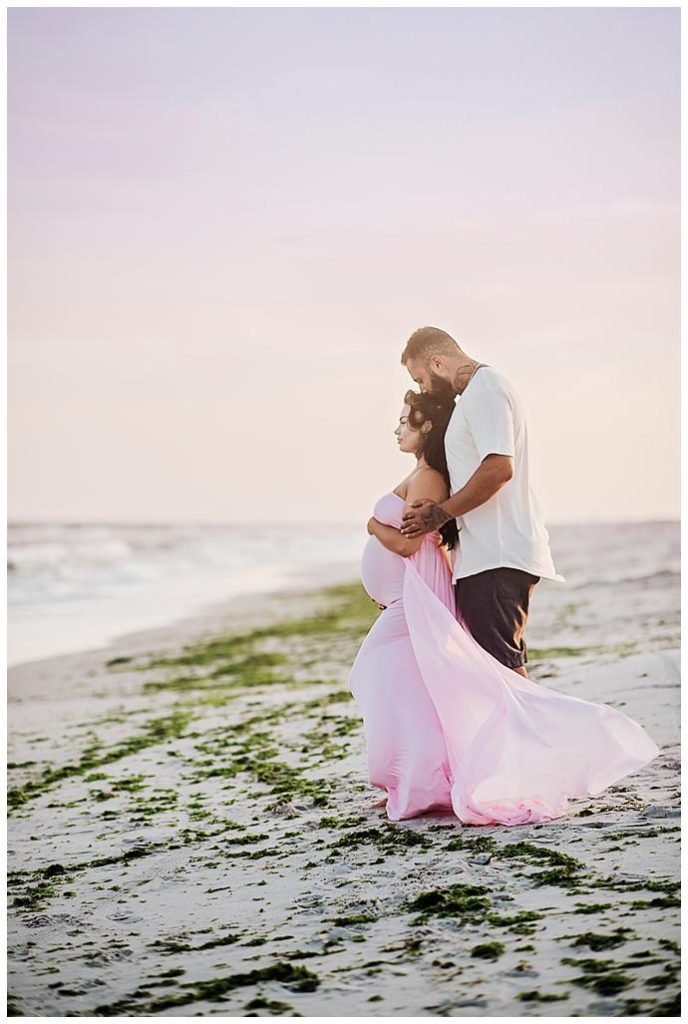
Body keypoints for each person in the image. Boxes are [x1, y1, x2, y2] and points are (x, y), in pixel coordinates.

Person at [348, 390, 659, 825]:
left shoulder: (430, 479)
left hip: (412, 598)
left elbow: (406, 544)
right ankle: (419, 783)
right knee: (418, 689)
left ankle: (428, 779)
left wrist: (372, 527)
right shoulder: (421, 474)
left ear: (426, 429)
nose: (397, 429)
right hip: (407, 596)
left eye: (405, 421)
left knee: (374, 671)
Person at [399, 325, 562, 678]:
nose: (422, 389)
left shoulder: (487, 391)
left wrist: (439, 514)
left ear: (438, 363)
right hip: (486, 557)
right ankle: (529, 731)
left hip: (497, 555)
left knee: (504, 675)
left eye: (421, 378)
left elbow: (499, 469)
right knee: (501, 672)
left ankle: (547, 733)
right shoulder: (475, 396)